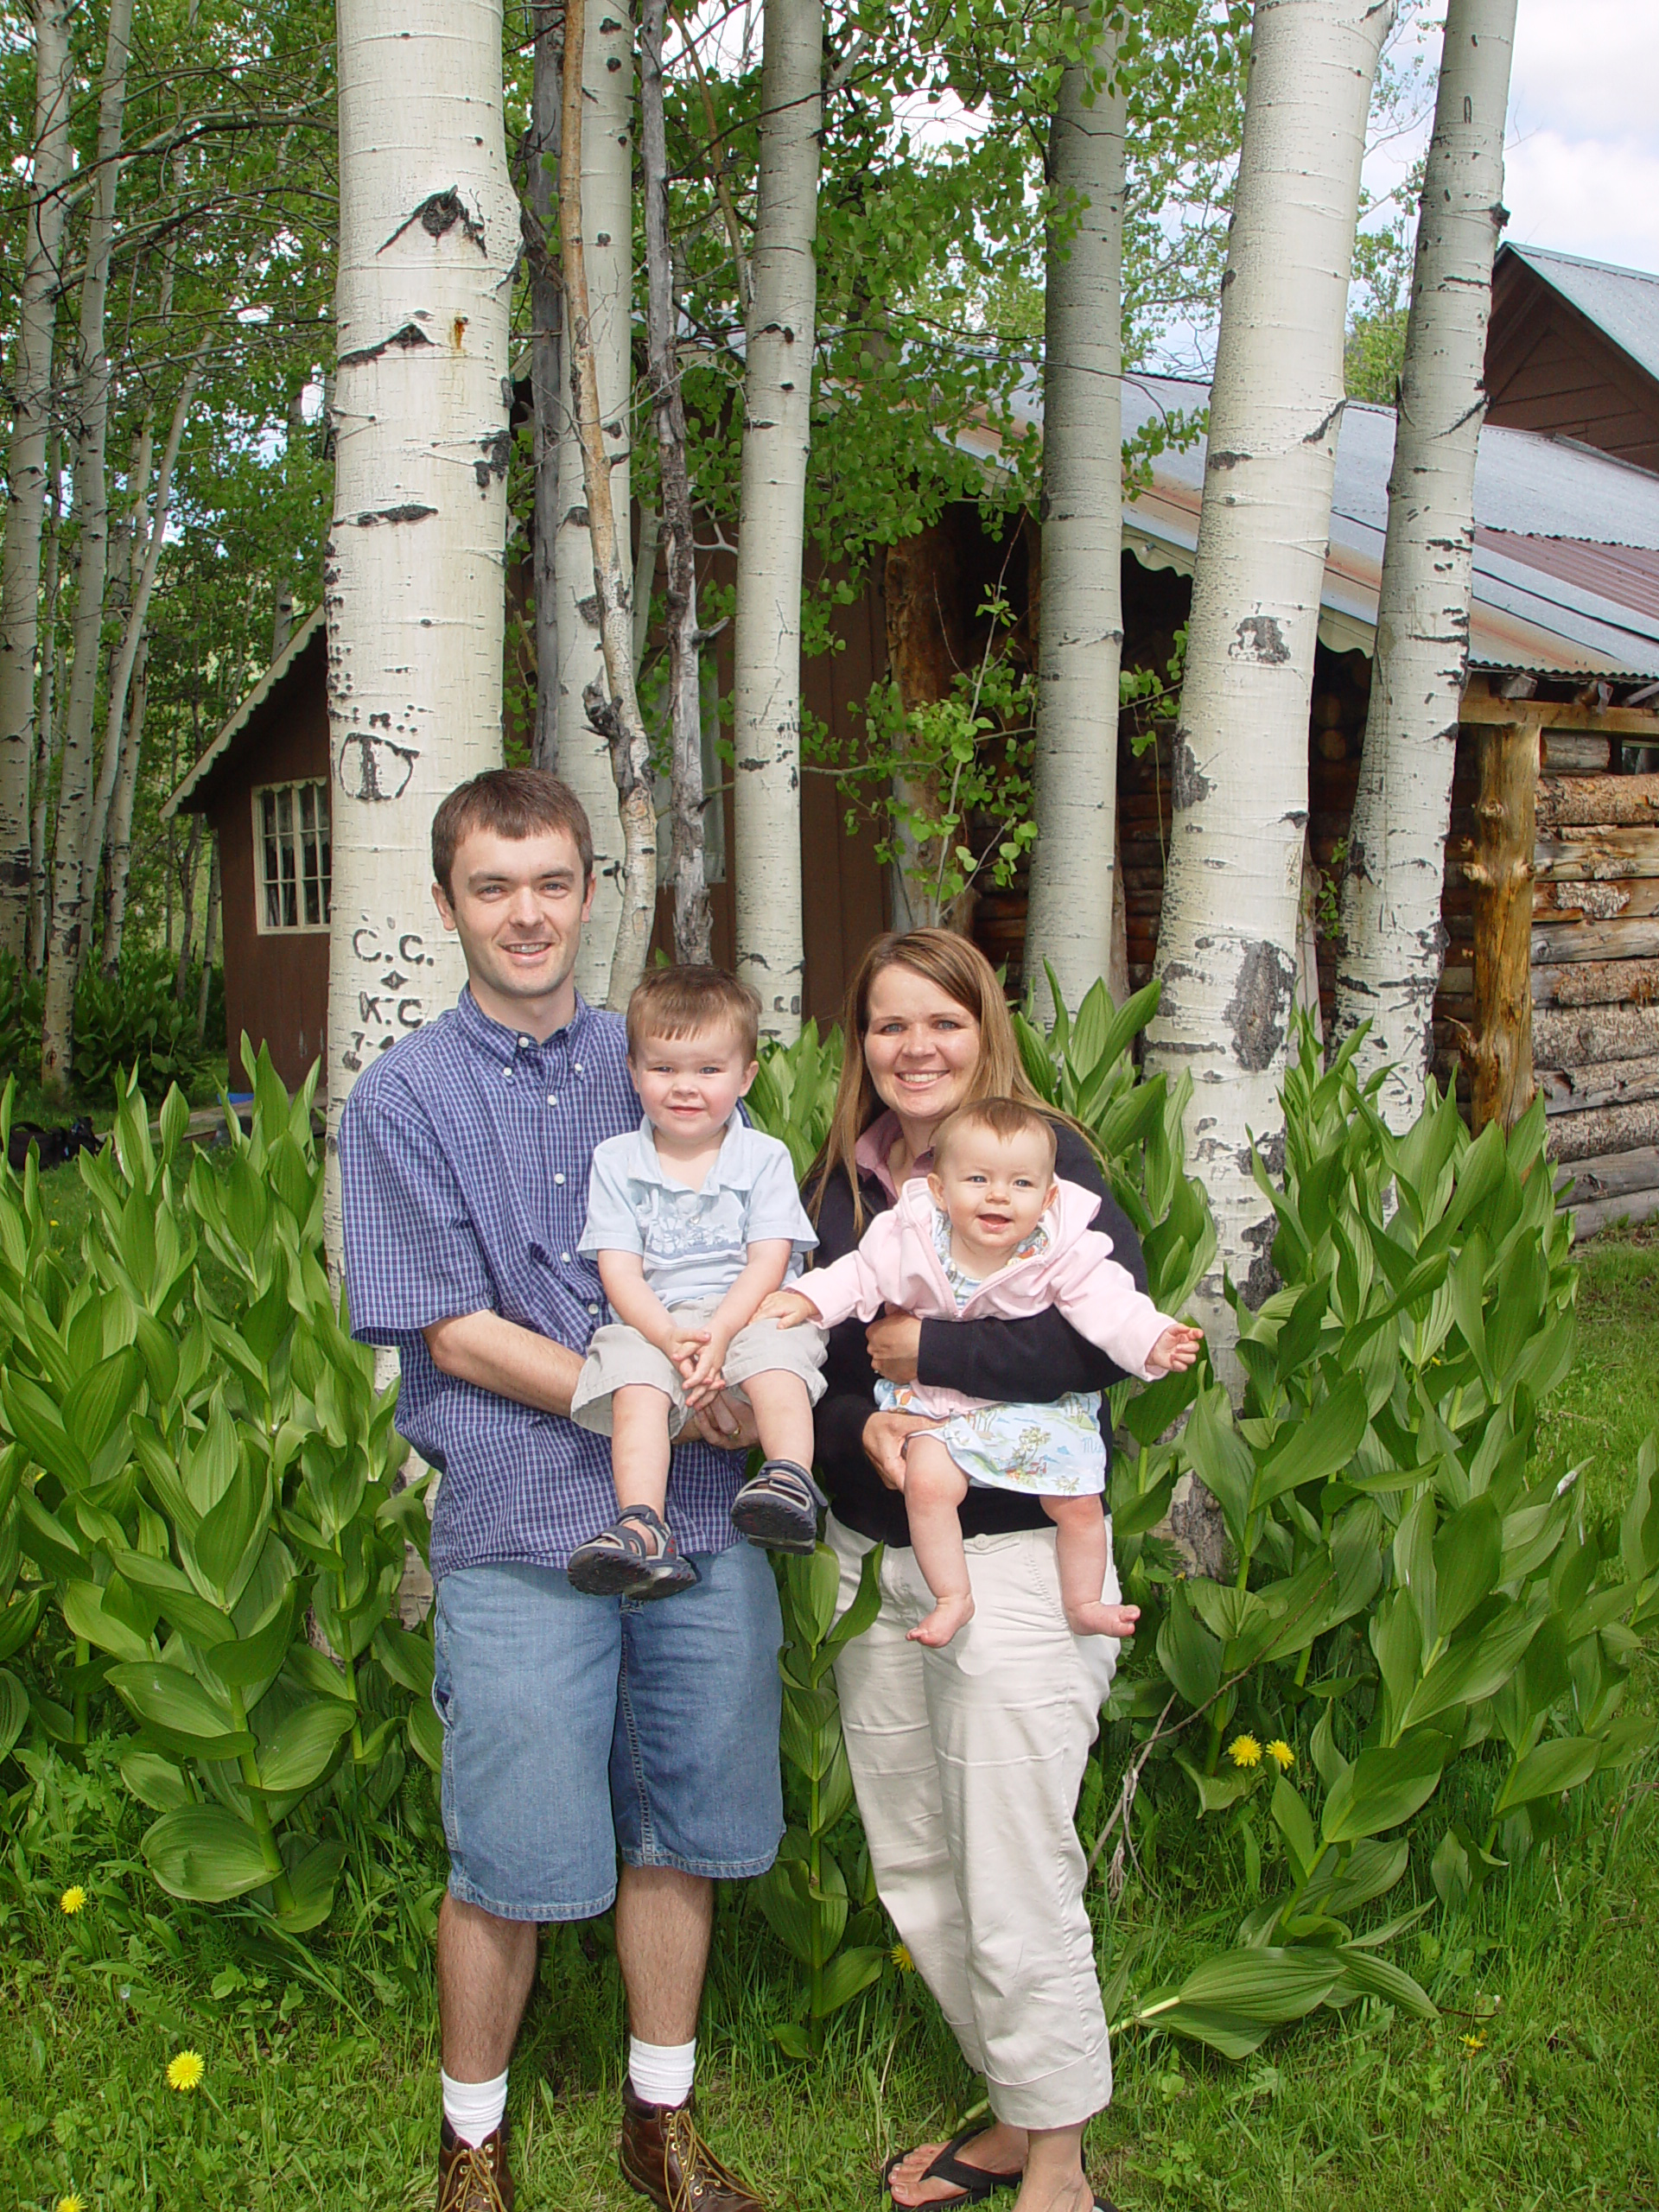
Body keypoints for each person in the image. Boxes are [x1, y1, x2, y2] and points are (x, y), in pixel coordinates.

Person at [338, 769, 778, 2212]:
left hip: (703, 1516)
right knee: (512, 1843)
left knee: (686, 1821)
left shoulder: (656, 1055)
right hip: (523, 1520)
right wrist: (655, 1394)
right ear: (451, 899)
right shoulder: (403, 1098)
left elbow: (769, 1227)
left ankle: (661, 2125)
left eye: (551, 883)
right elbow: (445, 1324)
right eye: (492, 887)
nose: (526, 915)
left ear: (593, 891)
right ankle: (472, 2148)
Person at [806, 928, 1145, 2212]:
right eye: (889, 1026)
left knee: (1014, 1859)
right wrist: (868, 1425)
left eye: (940, 1022)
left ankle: (1058, 2168)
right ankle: (1013, 2116)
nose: (916, 1048)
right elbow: (822, 1374)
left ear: (982, 1027)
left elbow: (1101, 1346)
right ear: (863, 1045)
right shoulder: (840, 1188)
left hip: (1014, 1554)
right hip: (882, 1556)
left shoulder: (1053, 1171)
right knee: (922, 1861)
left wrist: (924, 1344)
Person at [765, 1096, 1200, 1646]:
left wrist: (1153, 1339)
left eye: (1021, 1185)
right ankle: (953, 1596)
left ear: (1049, 1196)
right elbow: (856, 1276)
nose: (999, 1194)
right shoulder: (916, 1237)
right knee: (925, 1485)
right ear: (941, 1191)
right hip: (940, 1410)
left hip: (1034, 1413)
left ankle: (1085, 1599)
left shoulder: (1060, 1248)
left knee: (1079, 1501)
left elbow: (1110, 1304)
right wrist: (805, 1300)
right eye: (977, 1179)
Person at [566, 964, 829, 1597]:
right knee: (631, 1380)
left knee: (775, 1350)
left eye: (708, 1070)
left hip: (746, 1306)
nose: (685, 1088)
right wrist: (666, 1337)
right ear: (633, 1072)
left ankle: (789, 1477)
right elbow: (619, 1268)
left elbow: (769, 1259)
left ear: (746, 1076)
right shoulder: (617, 1161)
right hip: (654, 1316)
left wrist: (719, 1332)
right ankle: (641, 1525)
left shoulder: (763, 1157)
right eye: (664, 1069)